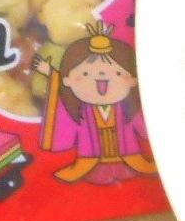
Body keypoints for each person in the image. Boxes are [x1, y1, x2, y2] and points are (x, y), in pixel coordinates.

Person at [33, 20, 156, 184]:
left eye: (117, 73)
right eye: (85, 74)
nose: (101, 75)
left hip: (131, 157)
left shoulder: (130, 106)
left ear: (133, 79)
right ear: (68, 80)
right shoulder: (79, 110)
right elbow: (62, 101)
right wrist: (51, 73)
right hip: (89, 160)